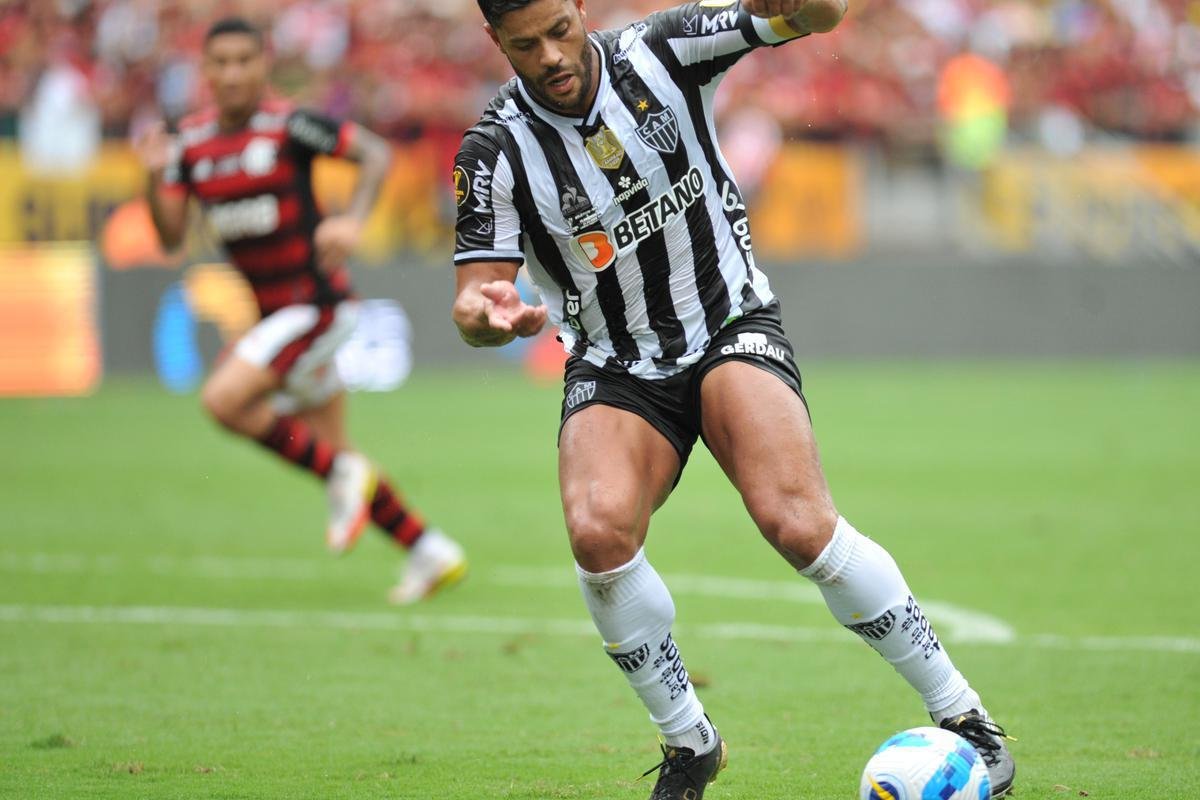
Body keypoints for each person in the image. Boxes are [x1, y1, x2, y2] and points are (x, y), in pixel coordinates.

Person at [449, 1, 1015, 798]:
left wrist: (814, 10)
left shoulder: (663, 49)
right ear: (494, 43)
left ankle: (964, 715)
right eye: (524, 45)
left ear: (580, 9)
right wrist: (489, 315)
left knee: (798, 522)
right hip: (616, 364)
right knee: (596, 530)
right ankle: (690, 743)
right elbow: (474, 299)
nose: (549, 55)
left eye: (559, 31)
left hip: (727, 324)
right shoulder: (494, 150)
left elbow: (799, 15)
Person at [136, 17, 466, 605]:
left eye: (245, 60)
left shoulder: (291, 124)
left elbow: (373, 152)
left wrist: (354, 219)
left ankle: (349, 484)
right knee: (336, 457)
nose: (233, 72)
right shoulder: (189, 145)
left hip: (315, 307)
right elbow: (169, 239)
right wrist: (151, 175)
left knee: (223, 401)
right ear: (205, 71)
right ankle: (428, 548)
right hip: (276, 319)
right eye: (222, 62)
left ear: (264, 66)